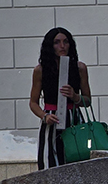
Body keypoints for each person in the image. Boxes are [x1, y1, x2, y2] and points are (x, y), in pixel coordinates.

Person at [28, 27, 92, 170]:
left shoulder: (79, 68)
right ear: (50, 45)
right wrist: (44, 116)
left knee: (77, 162)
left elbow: (87, 101)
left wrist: (75, 97)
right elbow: (33, 102)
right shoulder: (40, 70)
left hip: (74, 119)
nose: (62, 46)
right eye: (57, 42)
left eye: (65, 42)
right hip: (51, 119)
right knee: (50, 163)